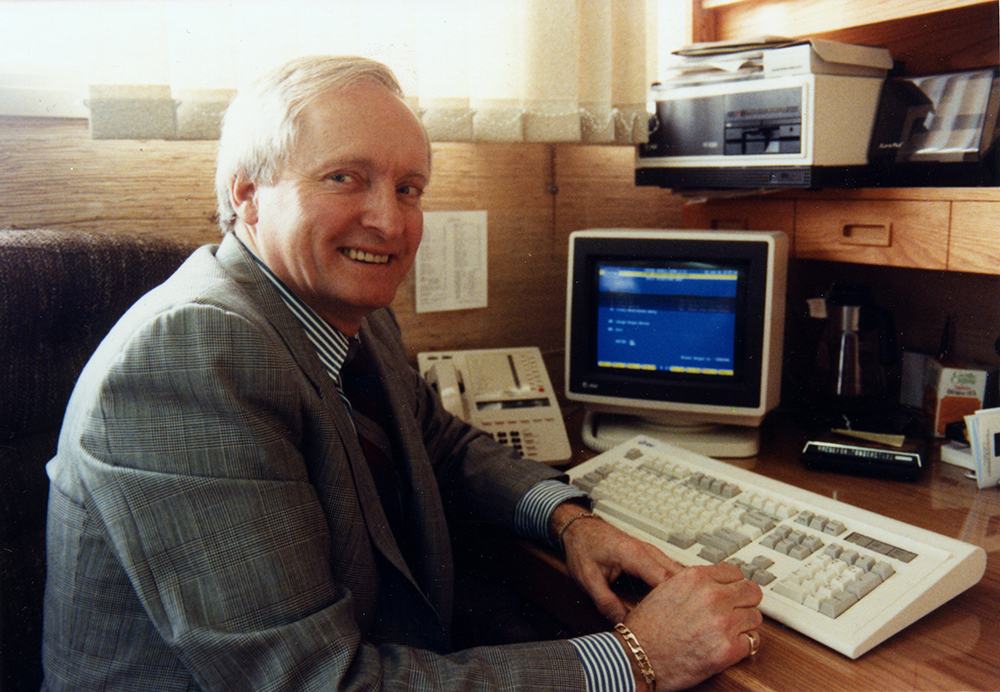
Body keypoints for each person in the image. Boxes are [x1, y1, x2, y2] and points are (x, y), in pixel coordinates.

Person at [41, 55, 762, 692]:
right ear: (247, 194)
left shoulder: (346, 310)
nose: (389, 222)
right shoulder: (190, 357)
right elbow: (317, 684)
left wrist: (568, 520)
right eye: (344, 178)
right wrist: (638, 658)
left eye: (409, 188)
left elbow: (438, 443)